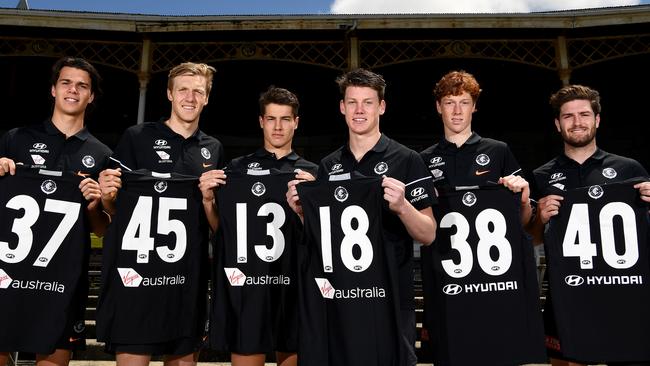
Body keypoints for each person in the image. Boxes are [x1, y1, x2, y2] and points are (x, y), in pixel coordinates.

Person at [287, 68, 437, 366]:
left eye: (367, 102)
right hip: (343, 296)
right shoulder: (329, 165)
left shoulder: (407, 159)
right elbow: (325, 237)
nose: (359, 110)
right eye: (352, 102)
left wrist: (403, 207)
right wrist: (302, 212)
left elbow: (429, 233)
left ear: (381, 107)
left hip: (392, 296)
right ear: (342, 107)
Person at [97, 62, 225, 366]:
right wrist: (106, 196)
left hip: (186, 279)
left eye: (198, 91)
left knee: (182, 360)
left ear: (207, 98)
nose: (190, 97)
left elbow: (216, 223)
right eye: (183, 89)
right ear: (170, 93)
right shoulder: (137, 137)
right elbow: (115, 209)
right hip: (137, 278)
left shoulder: (213, 149)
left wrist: (209, 201)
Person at [418, 70, 545, 365]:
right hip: (448, 283)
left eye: (464, 102)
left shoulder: (498, 151)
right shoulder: (423, 160)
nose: (457, 110)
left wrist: (524, 197)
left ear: (475, 106)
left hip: (495, 283)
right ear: (439, 107)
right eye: (450, 102)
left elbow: (525, 222)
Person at [0, 56, 112, 366]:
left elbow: (101, 229)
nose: (73, 90)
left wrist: (95, 204)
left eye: (82, 85)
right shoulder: (16, 139)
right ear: (53, 90)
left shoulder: (102, 154)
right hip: (9, 271)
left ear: (91, 96)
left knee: (53, 359)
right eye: (66, 82)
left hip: (63, 280)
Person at [529, 84, 650, 366]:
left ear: (597, 119)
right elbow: (530, 239)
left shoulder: (629, 169)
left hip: (623, 296)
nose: (577, 122)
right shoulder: (541, 175)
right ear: (558, 124)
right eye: (568, 116)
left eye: (584, 114)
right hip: (567, 295)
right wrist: (539, 218)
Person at [210, 86, 316, 366]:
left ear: (296, 122)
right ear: (261, 121)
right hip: (249, 291)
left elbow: (323, 239)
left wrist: (315, 198)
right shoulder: (236, 169)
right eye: (271, 119)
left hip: (295, 290)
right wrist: (208, 200)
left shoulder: (312, 173)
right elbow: (222, 229)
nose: (278, 127)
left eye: (285, 119)